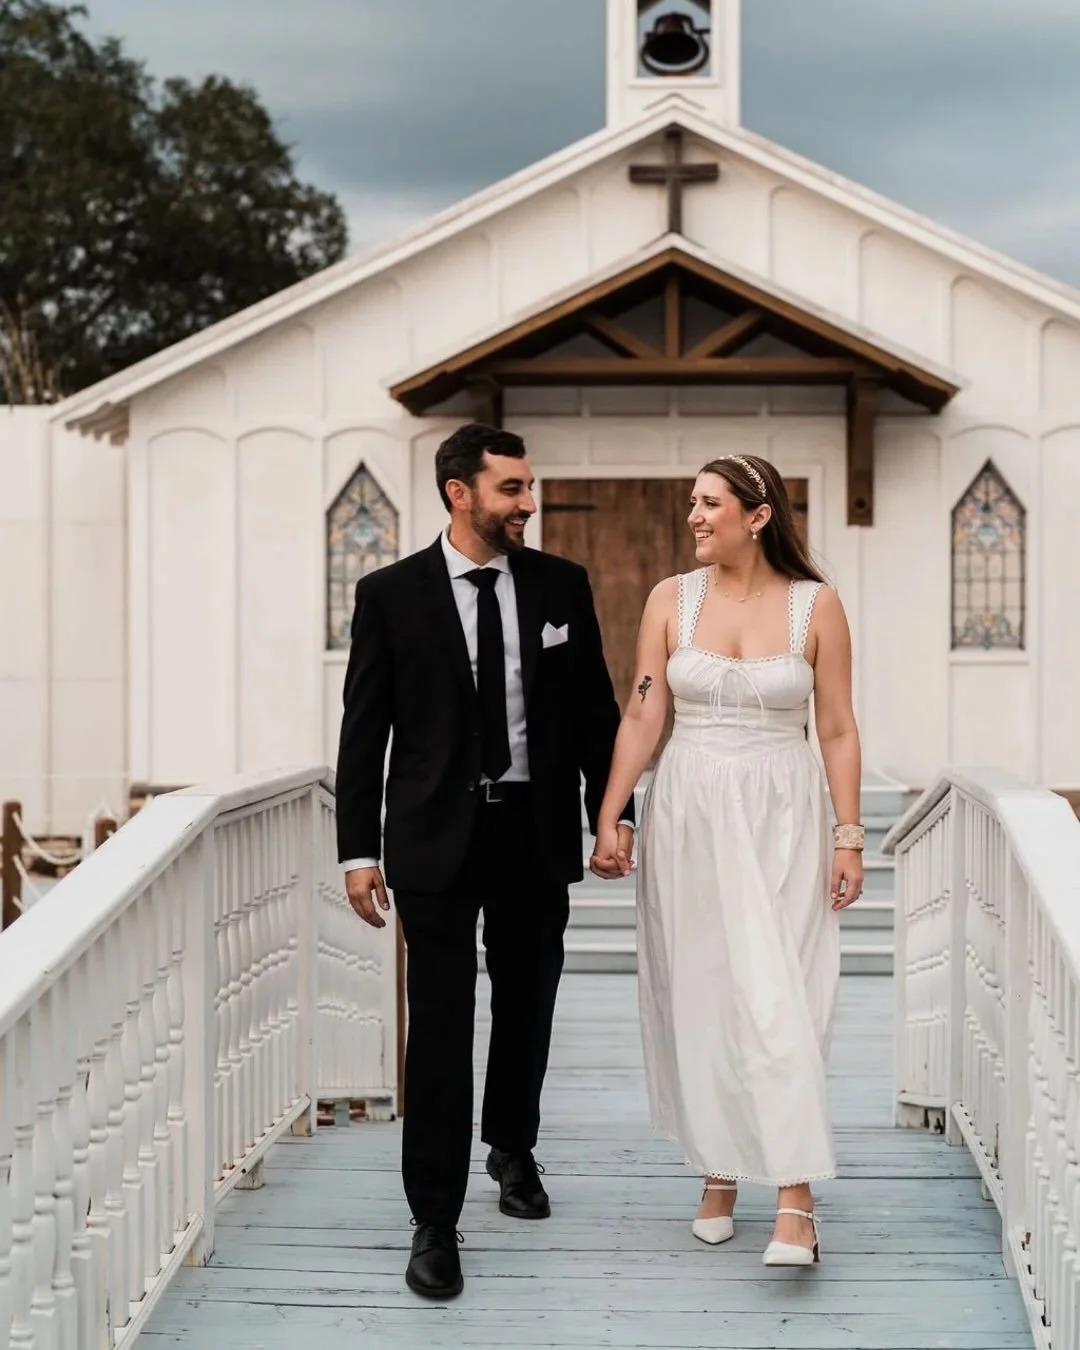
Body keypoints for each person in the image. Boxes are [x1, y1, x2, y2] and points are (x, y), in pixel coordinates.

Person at [335, 422, 633, 1300]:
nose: (527, 503)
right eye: (511, 489)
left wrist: (611, 817)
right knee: (438, 1023)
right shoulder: (390, 595)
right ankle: (434, 1215)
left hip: (533, 835)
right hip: (431, 840)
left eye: (530, 487)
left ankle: (511, 1144)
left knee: (529, 1002)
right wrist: (358, 850)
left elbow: (596, 717)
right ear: (459, 492)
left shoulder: (560, 587)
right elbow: (365, 732)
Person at [591, 454, 864, 1268]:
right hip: (690, 808)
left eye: (709, 504)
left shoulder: (818, 606)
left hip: (784, 809)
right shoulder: (668, 600)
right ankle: (718, 1169)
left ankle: (795, 1196)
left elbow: (840, 728)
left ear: (758, 514)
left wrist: (849, 833)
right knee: (705, 987)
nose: (694, 517)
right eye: (691, 504)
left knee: (782, 993)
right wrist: (612, 811)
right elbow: (644, 711)